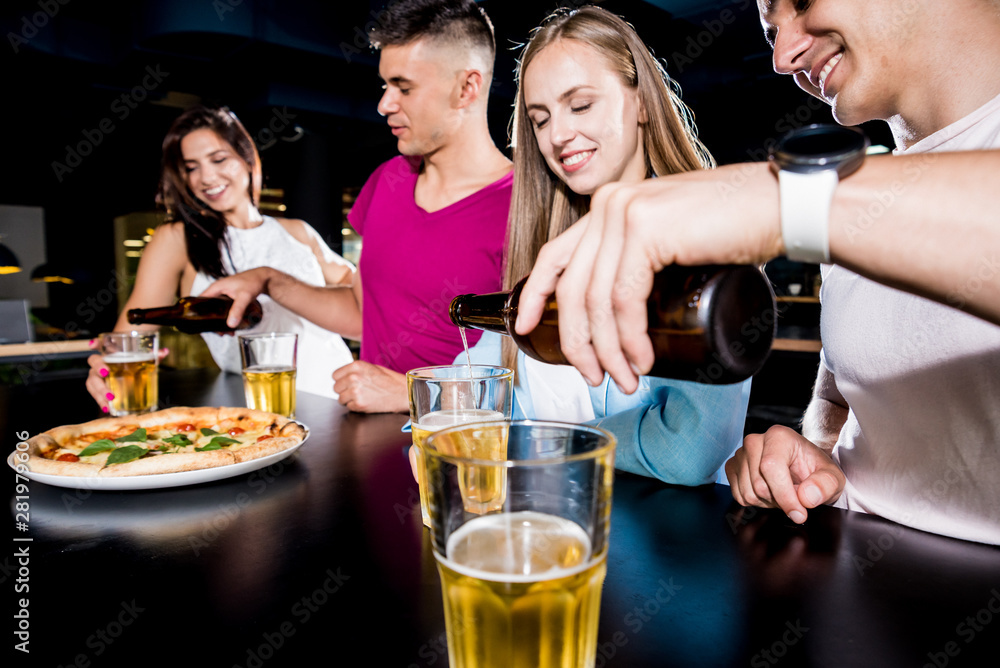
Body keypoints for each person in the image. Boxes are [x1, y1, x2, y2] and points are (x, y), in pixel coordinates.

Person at [515, 0, 1000, 544]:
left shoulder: (824, 206)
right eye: (771, 29)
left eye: (801, 1)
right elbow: (836, 403)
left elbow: (687, 450)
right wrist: (811, 461)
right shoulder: (859, 194)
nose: (784, 56)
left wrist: (779, 202)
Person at [451, 5, 750, 486]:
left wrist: (541, 442)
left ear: (643, 105)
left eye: (581, 104)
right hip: (554, 529)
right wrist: (434, 430)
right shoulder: (549, 254)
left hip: (678, 544)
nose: (558, 135)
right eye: (541, 118)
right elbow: (470, 384)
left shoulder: (701, 246)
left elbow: (686, 450)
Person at [201, 0, 512, 413]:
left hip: (467, 454)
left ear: (467, 88)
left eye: (404, 87)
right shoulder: (388, 181)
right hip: (371, 442)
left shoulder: (522, 207)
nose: (385, 104)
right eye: (385, 86)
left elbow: (537, 386)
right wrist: (268, 280)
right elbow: (362, 312)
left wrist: (409, 392)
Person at [85, 105, 356, 408]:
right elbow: (132, 331)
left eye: (219, 159)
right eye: (191, 167)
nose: (206, 176)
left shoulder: (297, 232)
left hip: (344, 393)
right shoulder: (177, 239)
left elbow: (362, 292)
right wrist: (107, 364)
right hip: (265, 406)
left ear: (247, 158)